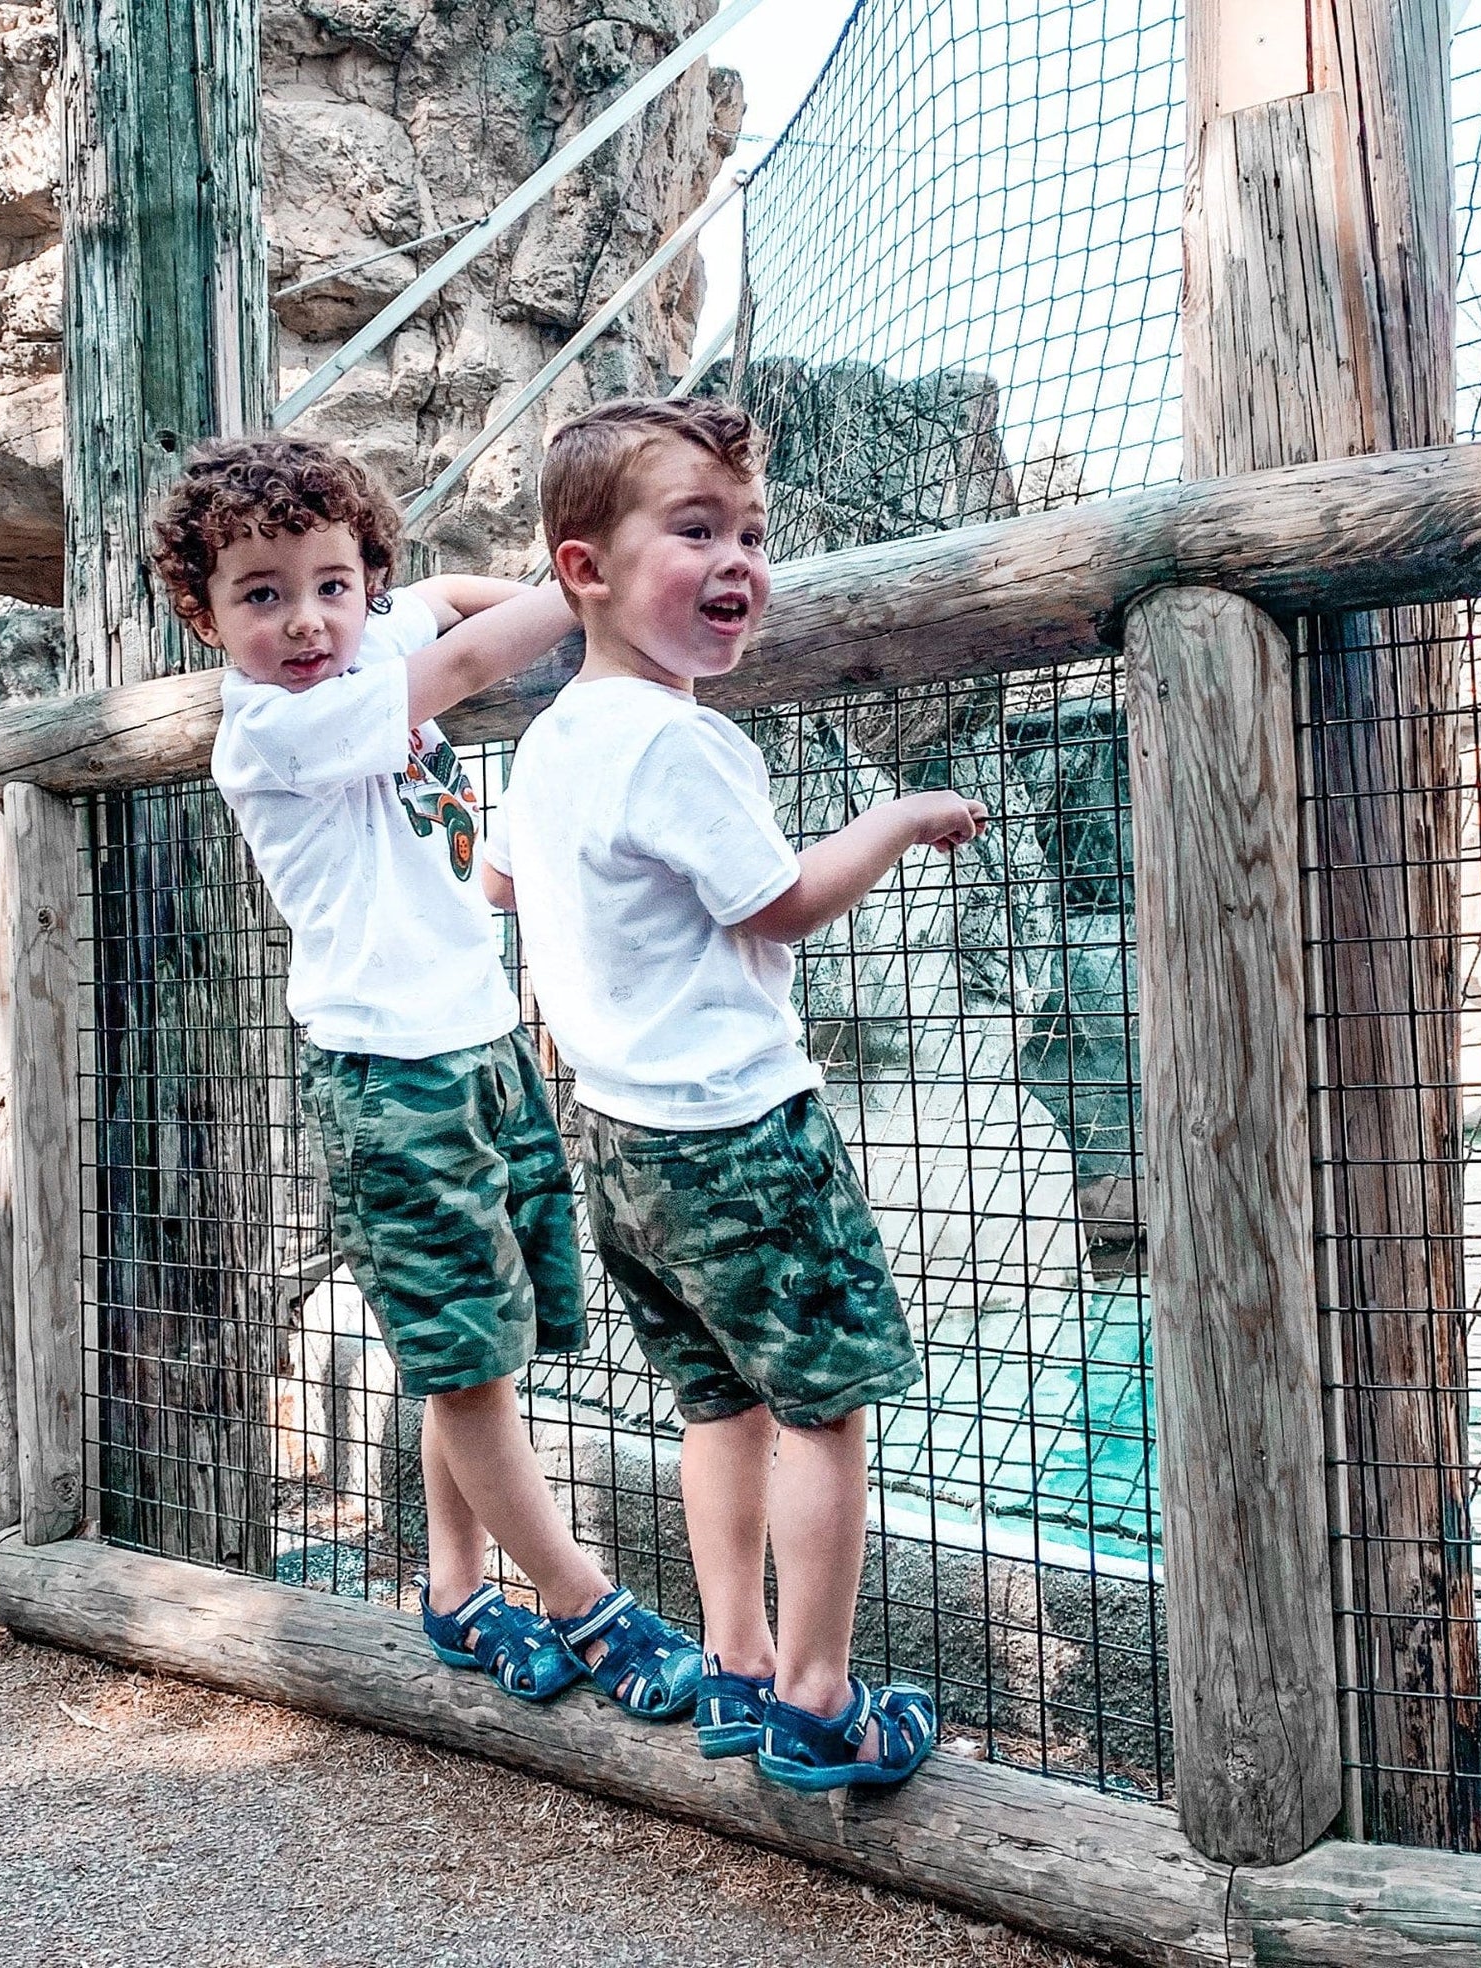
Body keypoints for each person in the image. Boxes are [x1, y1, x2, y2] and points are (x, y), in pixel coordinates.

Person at [151, 434, 702, 1722]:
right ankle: (585, 1602)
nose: (307, 620)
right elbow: (461, 656)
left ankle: (458, 1595)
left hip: (482, 1047)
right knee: (458, 1360)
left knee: (483, 1350)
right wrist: (603, 585)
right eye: (262, 593)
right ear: (205, 613)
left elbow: (441, 606)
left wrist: (449, 589)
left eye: (332, 584)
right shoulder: (275, 728)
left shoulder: (365, 631)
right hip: (391, 1074)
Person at [485, 398, 986, 1789]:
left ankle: (736, 1662)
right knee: (824, 1409)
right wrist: (902, 815)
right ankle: (821, 1705)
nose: (739, 562)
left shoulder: (548, 742)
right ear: (582, 569)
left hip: (623, 1139)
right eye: (695, 530)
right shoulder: (679, 741)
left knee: (719, 1406)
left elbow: (505, 884)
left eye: (753, 535)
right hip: (743, 1133)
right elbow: (779, 904)